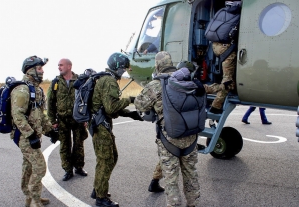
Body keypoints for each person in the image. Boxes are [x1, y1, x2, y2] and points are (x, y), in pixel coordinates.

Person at [134, 52, 200, 207]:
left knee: (171, 181)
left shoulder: (156, 84)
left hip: (169, 139)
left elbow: (140, 105)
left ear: (157, 65)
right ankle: (193, 204)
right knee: (191, 175)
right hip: (191, 137)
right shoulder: (187, 79)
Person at [89, 52, 143, 207]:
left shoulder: (104, 79)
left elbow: (108, 107)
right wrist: (130, 100)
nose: (124, 72)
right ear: (117, 67)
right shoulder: (109, 81)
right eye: (123, 68)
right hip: (101, 127)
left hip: (101, 125)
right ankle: (101, 198)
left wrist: (131, 114)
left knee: (111, 157)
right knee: (105, 161)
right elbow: (111, 108)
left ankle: (98, 188)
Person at [11, 56, 58, 207]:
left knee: (29, 166)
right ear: (30, 70)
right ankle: (34, 201)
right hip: (24, 136)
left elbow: (40, 115)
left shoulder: (37, 90)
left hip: (33, 136)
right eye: (39, 68)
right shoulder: (22, 89)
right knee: (39, 166)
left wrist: (50, 131)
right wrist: (30, 135)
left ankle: (30, 197)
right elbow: (17, 116)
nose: (42, 71)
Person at [47, 58, 88, 181]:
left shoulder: (80, 80)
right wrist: (53, 121)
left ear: (69, 66)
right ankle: (68, 170)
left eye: (61, 65)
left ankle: (79, 167)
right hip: (62, 120)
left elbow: (85, 100)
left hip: (77, 119)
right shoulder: (56, 82)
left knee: (79, 144)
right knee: (64, 146)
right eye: (58, 65)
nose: (59, 67)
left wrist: (85, 117)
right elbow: (50, 102)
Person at [204, 1, 241, 114]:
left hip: (216, 46)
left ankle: (205, 89)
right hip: (226, 47)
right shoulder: (238, 14)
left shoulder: (222, 11)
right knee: (228, 82)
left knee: (229, 81)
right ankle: (215, 106)